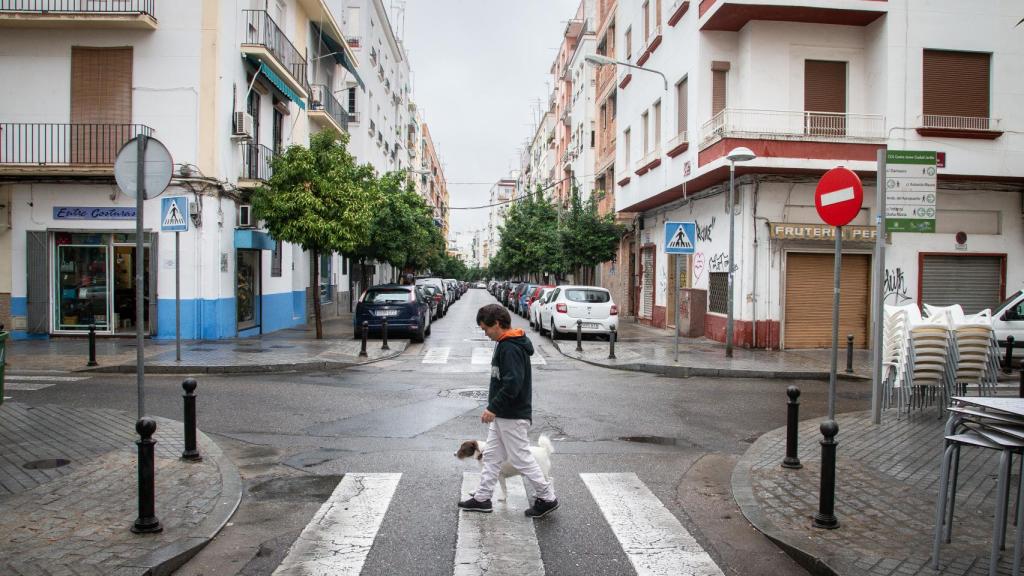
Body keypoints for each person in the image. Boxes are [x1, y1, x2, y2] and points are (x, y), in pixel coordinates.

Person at [458, 304, 559, 518]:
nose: (485, 333)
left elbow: (513, 383)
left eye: (486, 328)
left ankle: (547, 497)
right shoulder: (505, 343)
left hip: (511, 414)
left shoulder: (510, 347)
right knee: (491, 456)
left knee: (521, 458)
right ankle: (483, 498)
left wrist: (493, 407)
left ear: (496, 324)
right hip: (505, 414)